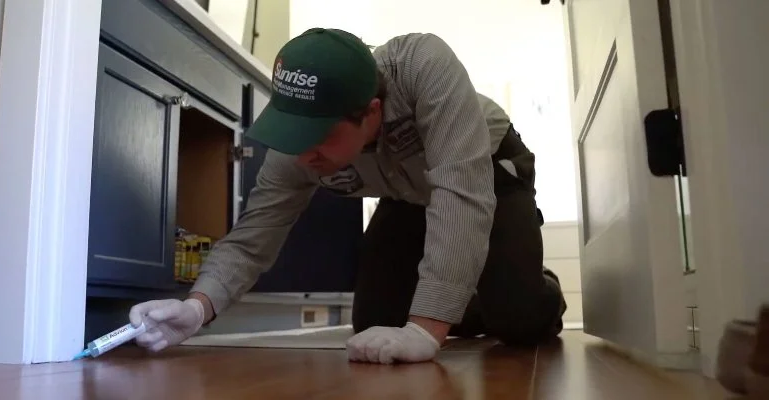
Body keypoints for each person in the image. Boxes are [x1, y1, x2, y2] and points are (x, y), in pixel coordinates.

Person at [128, 28, 567, 364]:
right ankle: (472, 290)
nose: (302, 153)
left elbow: (460, 196)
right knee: (375, 326)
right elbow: (254, 234)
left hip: (486, 172)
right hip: (405, 196)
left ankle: (526, 282)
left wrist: (427, 329)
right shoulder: (296, 143)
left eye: (318, 137)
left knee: (520, 319)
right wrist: (197, 308)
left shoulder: (424, 66)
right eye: (294, 135)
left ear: (371, 113)